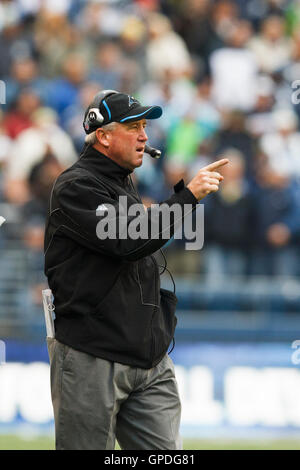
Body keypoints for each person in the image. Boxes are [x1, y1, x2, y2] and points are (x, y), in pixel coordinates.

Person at [44, 90, 228, 450]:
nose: (145, 135)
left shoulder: (121, 181)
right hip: (92, 356)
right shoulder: (75, 186)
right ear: (104, 135)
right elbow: (130, 241)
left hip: (148, 359)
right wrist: (186, 196)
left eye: (145, 126)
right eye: (134, 127)